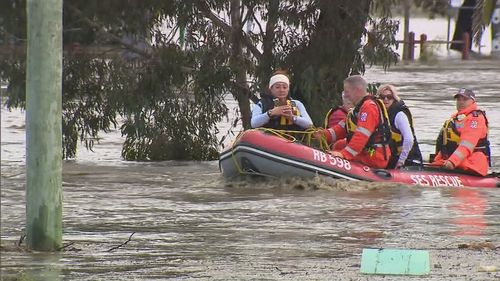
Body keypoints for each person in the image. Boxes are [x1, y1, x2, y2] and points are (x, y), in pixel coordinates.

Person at [316, 75, 392, 169]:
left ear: (356, 90)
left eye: (347, 91)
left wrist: (344, 154)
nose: (345, 95)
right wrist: (323, 135)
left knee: (340, 147)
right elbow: (341, 129)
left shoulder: (368, 107)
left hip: (373, 156)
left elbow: (361, 136)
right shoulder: (357, 109)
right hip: (365, 152)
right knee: (339, 145)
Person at [432, 88, 490, 176]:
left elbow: (467, 145)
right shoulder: (455, 118)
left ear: (472, 101)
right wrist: (436, 163)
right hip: (453, 162)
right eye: (458, 99)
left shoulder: (475, 119)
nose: (461, 102)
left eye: (465, 99)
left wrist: (452, 162)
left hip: (472, 164)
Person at [377, 84, 422, 169]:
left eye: (389, 97)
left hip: (409, 160)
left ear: (394, 98)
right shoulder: (382, 114)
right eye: (382, 97)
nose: (385, 99)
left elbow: (409, 139)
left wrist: (401, 161)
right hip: (392, 158)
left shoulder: (399, 115)